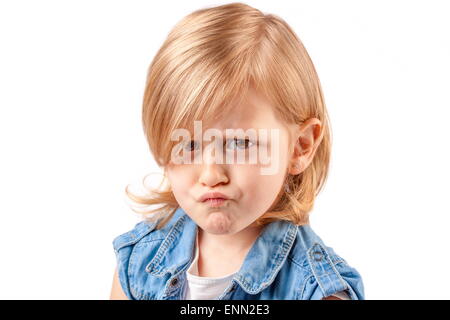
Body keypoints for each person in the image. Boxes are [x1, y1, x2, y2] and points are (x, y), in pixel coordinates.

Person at [110, 2, 365, 300]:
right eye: (189, 145)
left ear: (300, 146)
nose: (211, 174)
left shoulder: (316, 290)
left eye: (240, 144)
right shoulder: (139, 263)